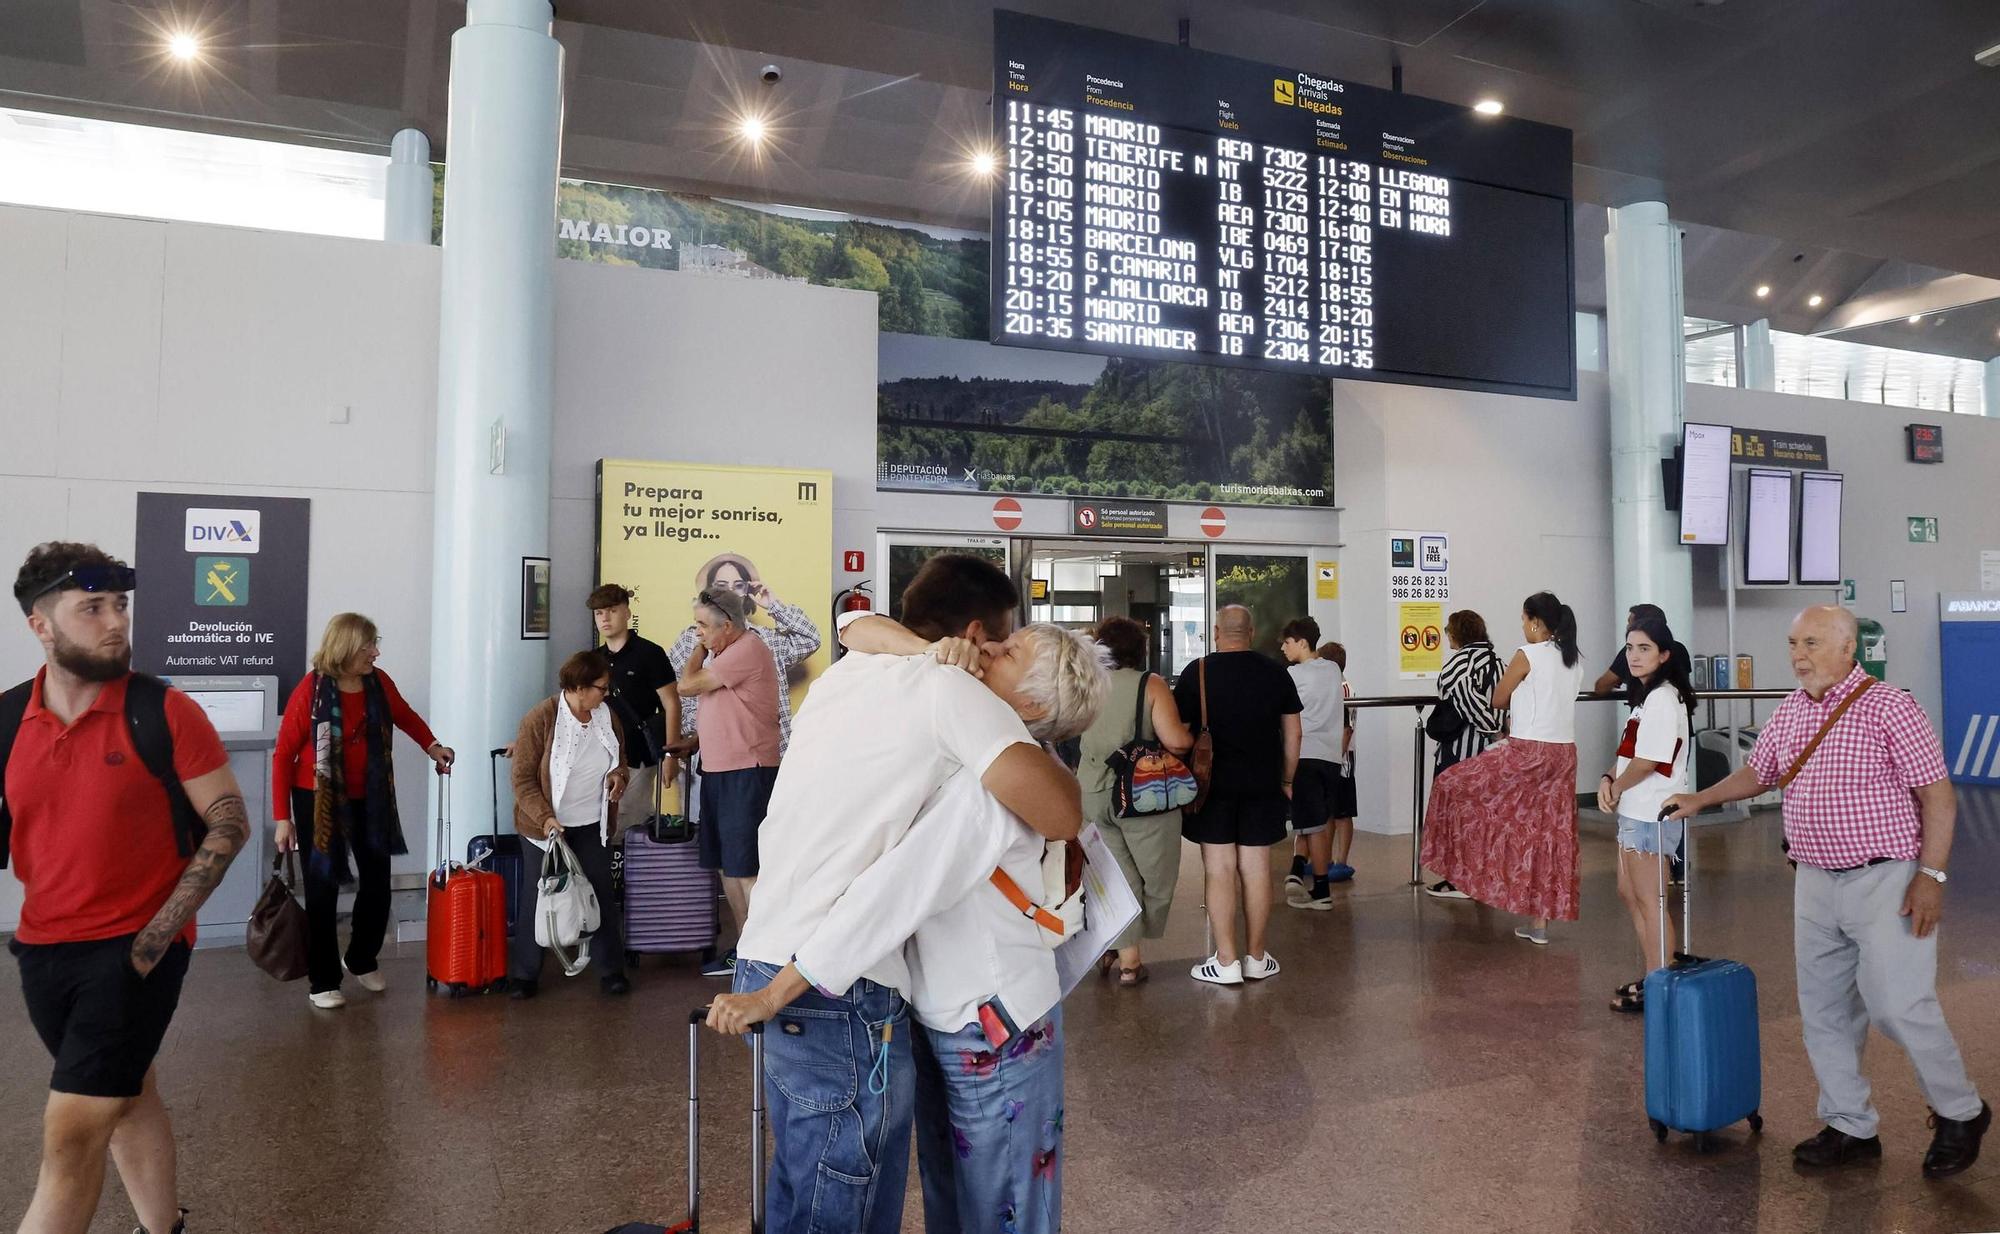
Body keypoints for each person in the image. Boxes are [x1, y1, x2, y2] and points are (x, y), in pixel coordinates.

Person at [702, 553, 1083, 1234]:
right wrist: (786, 987)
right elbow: (896, 890)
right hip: (859, 990)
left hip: (834, 970)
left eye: (1013, 652)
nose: (993, 650)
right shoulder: (954, 697)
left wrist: (775, 986)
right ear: (966, 631)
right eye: (1003, 636)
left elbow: (855, 627)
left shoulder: (850, 683)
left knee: (822, 1191)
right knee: (847, 1204)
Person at [1665, 605, 1989, 1178]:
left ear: (1848, 648)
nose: (1798, 655)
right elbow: (1760, 773)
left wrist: (1931, 876)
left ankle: (1961, 1110)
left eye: (1811, 643)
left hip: (1886, 878)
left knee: (1898, 1005)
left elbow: (1939, 796)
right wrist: (1702, 798)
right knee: (1825, 1010)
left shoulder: (1892, 706)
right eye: (1793, 643)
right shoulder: (1791, 711)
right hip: (1813, 882)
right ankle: (1850, 1124)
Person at [4, 543, 251, 1234]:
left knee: (72, 1133)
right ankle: (163, 1227)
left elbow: (228, 822)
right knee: (129, 1094)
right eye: (92, 608)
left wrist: (154, 939)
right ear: (41, 624)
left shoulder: (163, 711)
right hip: (43, 950)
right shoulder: (5, 721)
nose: (115, 621)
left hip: (133, 952)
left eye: (120, 606)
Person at [272, 612, 454, 1009]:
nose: (376, 651)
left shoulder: (378, 682)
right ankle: (323, 981)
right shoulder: (312, 689)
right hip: (317, 800)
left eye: (375, 643)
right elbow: (284, 754)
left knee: (377, 884)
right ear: (346, 649)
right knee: (321, 891)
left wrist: (433, 746)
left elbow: (404, 716)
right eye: (368, 645)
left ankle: (360, 958)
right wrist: (282, 817)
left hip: (369, 797)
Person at [1418, 591, 1586, 944]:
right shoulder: (1574, 661)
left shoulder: (1527, 655)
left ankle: (1470, 873)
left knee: (1452, 784)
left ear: (1536, 622)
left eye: (1524, 620)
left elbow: (1498, 698)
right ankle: (1538, 925)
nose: (1522, 626)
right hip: (1564, 754)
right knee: (1548, 832)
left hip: (1527, 750)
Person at [1175, 605, 1303, 985]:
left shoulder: (1195, 672)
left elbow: (1179, 734)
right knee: (1257, 868)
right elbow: (1294, 735)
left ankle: (1226, 961)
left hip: (1210, 787)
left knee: (1219, 869)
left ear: (1216, 632)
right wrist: (1287, 779)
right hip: (1263, 784)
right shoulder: (1275, 674)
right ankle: (1258, 958)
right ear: (1251, 632)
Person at [506, 650, 631, 999]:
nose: (605, 695)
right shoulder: (541, 719)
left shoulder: (607, 716)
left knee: (601, 892)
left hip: (592, 821)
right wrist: (545, 818)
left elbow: (620, 759)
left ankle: (611, 970)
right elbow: (523, 780)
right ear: (577, 688)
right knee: (538, 894)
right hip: (544, 826)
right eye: (600, 688)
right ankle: (525, 974)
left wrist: (619, 777)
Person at [1079, 615, 1194, 984]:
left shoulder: (1087, 683)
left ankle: (1123, 951)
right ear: (1140, 649)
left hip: (1092, 790)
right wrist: (1191, 738)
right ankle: (1127, 953)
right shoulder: (1151, 684)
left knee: (1114, 873)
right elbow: (1175, 740)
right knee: (1156, 876)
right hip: (1141, 795)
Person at [676, 587, 783, 978]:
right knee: (726, 866)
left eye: (703, 626)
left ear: (729, 626)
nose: (698, 632)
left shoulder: (746, 649)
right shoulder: (726, 653)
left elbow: (685, 686)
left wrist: (698, 650)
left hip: (747, 771)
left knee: (746, 868)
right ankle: (745, 948)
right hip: (720, 770)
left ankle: (765, 954)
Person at [1597, 614, 1694, 1013]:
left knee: (1651, 900)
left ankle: (1661, 984)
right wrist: (1608, 777)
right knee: (1631, 893)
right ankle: (1656, 975)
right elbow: (1629, 753)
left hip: (1651, 812)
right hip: (1636, 810)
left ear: (1664, 655)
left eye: (1644, 649)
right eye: (1630, 648)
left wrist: (1617, 787)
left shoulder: (1663, 700)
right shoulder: (1645, 699)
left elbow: (1649, 761)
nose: (1634, 656)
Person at [665, 556, 822, 758]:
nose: (729, 592)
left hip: (760, 755)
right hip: (706, 752)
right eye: (721, 585)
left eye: (738, 585)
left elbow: (810, 639)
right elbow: (675, 689)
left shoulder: (765, 640)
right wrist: (696, 731)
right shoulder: (691, 638)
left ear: (747, 592)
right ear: (708, 591)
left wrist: (773, 604)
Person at [1424, 610, 1505, 899]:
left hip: (1460, 752)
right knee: (1484, 815)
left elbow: (1465, 697)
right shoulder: (1498, 662)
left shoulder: (1460, 662)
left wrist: (1490, 727)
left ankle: (1461, 881)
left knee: (1457, 816)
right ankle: (1481, 876)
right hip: (1493, 754)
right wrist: (1499, 731)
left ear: (1456, 633)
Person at [586, 583, 681, 831]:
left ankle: (633, 868)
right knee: (601, 821)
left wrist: (670, 754)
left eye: (611, 610)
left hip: (638, 753)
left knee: (630, 820)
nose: (605, 618)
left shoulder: (650, 653)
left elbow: (671, 703)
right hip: (599, 755)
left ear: (627, 613)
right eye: (599, 613)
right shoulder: (594, 659)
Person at [1280, 619, 1353, 910]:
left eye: (1287, 642)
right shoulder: (1333, 669)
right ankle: (1297, 870)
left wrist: (1286, 775)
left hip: (1305, 755)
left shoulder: (1293, 675)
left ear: (1302, 642)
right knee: (1315, 821)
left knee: (1313, 826)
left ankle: (1321, 891)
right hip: (1331, 757)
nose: (1283, 647)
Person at [1591, 603, 1667, 696]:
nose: (1628, 628)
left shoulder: (1631, 652)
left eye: (1644, 649)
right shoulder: (1679, 648)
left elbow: (1601, 687)